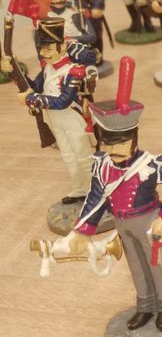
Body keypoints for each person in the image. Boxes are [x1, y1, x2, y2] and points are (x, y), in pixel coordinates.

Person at [69, 59, 162, 331]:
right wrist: (82, 231)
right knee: (136, 267)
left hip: (149, 223)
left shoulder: (152, 164)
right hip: (122, 225)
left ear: (134, 139)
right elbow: (96, 199)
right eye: (109, 144)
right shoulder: (102, 166)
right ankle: (145, 305)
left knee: (158, 267)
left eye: (123, 143)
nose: (115, 150)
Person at [2, 21, 97, 204]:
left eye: (49, 49)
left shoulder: (74, 71)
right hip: (55, 119)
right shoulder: (47, 69)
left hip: (72, 119)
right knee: (68, 156)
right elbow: (34, 87)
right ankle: (80, 189)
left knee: (83, 157)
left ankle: (95, 192)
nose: (44, 53)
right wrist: (14, 71)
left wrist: (31, 99)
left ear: (62, 46)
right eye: (42, 49)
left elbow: (63, 101)